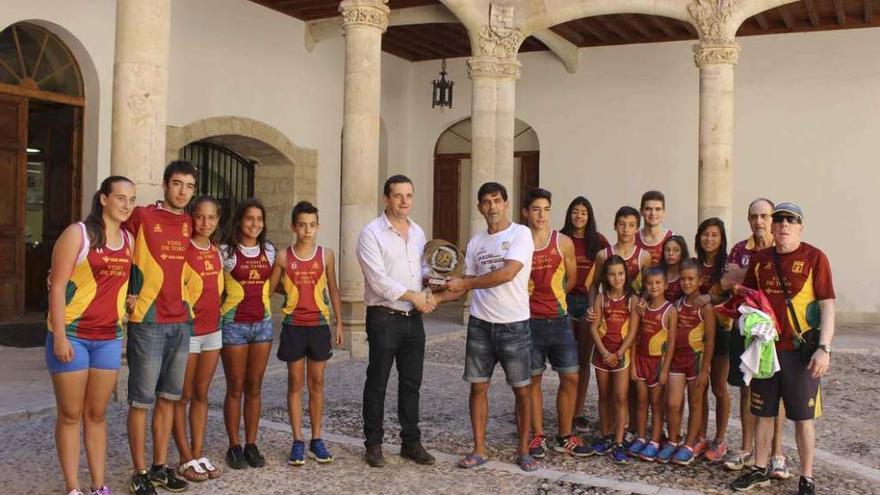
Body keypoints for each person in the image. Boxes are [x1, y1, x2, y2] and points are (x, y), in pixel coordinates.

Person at [732, 203, 835, 495]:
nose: (784, 225)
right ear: (772, 227)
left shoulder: (815, 258)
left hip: (800, 351)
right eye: (779, 220)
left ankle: (807, 477)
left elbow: (828, 307)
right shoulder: (761, 259)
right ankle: (759, 469)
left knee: (803, 418)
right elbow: (750, 299)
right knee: (763, 413)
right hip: (766, 349)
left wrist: (824, 348)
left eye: (791, 220)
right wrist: (748, 320)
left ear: (801, 226)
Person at [47, 176, 135, 495]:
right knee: (71, 414)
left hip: (109, 338)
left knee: (96, 414)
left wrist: (129, 300)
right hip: (73, 334)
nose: (126, 205)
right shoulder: (78, 234)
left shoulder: (128, 240)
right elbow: (57, 286)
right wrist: (59, 336)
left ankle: (99, 485)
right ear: (103, 199)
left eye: (131, 199)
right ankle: (73, 487)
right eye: (120, 198)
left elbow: (120, 283)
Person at [445, 182, 537, 472]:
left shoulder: (521, 234)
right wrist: (433, 296)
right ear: (479, 207)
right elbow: (462, 287)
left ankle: (524, 450)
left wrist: (466, 283)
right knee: (478, 388)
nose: (492, 207)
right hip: (481, 325)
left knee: (522, 390)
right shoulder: (475, 243)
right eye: (486, 202)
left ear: (506, 203)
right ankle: (479, 449)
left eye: (497, 200)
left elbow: (509, 273)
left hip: (514, 325)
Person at [125, 161, 196, 495]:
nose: (183, 192)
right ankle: (138, 471)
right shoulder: (142, 215)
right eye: (177, 184)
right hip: (149, 320)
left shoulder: (187, 223)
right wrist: (125, 291)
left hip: (180, 321)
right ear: (165, 185)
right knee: (141, 401)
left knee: (169, 398)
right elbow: (111, 241)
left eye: (189, 186)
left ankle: (159, 467)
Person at [356, 175, 436, 468]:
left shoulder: (418, 232)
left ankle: (410, 442)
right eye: (398, 195)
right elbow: (378, 280)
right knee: (377, 382)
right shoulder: (371, 233)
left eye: (409, 195)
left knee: (412, 383)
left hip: (413, 320)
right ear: (386, 199)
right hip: (384, 316)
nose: (404, 201)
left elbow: (424, 269)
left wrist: (430, 292)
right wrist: (415, 296)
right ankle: (373, 444)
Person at [270, 201, 344, 466]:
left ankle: (316, 438)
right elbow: (270, 286)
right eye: (302, 225)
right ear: (293, 226)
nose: (307, 230)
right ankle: (297, 440)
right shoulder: (282, 256)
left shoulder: (326, 255)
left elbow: (333, 289)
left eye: (312, 225)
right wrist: (290, 294)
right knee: (294, 382)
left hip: (318, 325)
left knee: (317, 383)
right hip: (293, 325)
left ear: (318, 226)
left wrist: (339, 322)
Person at [721, 198, 789, 478]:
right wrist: (748, 281)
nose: (759, 222)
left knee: (777, 393)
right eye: (754, 216)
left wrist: (745, 279)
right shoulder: (739, 249)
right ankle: (746, 449)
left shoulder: (782, 250)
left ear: (772, 220)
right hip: (745, 329)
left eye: (764, 216)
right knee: (747, 388)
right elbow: (728, 283)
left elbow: (771, 287)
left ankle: (777, 454)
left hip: (775, 333)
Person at [520, 189, 589, 458]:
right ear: (526, 212)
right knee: (533, 380)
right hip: (530, 322)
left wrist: (555, 298)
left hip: (559, 320)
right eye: (536, 209)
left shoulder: (563, 242)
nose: (541, 214)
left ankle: (565, 434)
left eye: (546, 209)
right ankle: (538, 435)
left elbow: (571, 279)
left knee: (570, 376)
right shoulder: (519, 243)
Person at [220, 199, 275, 470]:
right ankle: (234, 445)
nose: (255, 224)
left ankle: (251, 444)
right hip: (234, 325)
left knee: (255, 386)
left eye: (259, 219)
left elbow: (274, 283)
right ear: (239, 220)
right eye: (249, 218)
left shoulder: (270, 251)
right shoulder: (225, 252)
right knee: (235, 387)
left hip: (262, 325)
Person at [172, 196, 224, 482]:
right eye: (200, 217)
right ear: (191, 217)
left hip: (212, 332)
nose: (205, 223)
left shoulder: (216, 250)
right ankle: (184, 457)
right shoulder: (183, 249)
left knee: (202, 394)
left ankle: (198, 451)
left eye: (211, 218)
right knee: (183, 395)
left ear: (218, 220)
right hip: (188, 332)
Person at [559, 196, 610, 434]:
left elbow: (611, 271)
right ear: (569, 214)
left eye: (583, 212)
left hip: (589, 303)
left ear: (589, 217)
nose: (579, 216)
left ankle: (577, 412)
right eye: (575, 212)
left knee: (583, 360)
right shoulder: (560, 238)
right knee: (567, 361)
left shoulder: (598, 241)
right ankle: (565, 410)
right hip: (565, 301)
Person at [588, 255, 640, 464]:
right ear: (605, 277)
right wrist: (603, 352)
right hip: (601, 353)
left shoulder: (632, 300)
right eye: (612, 274)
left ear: (625, 275)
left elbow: (633, 331)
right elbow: (593, 326)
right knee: (604, 395)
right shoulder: (601, 298)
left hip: (621, 356)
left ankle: (619, 441)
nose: (617, 278)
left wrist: (618, 354)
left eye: (620, 273)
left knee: (620, 397)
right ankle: (605, 435)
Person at [665, 259, 715, 465]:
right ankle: (673, 440)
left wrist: (705, 370)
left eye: (691, 279)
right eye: (683, 279)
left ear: (700, 280)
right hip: (677, 361)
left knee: (696, 403)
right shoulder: (675, 305)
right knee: (673, 403)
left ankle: (689, 443)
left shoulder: (706, 308)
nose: (686, 283)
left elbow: (711, 340)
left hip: (696, 362)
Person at [627, 267, 677, 462]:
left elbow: (671, 343)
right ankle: (640, 437)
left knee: (656, 405)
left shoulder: (670, 311)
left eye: (658, 283)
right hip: (640, 360)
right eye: (650, 283)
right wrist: (632, 365)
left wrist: (665, 369)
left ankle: (655, 441)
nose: (654, 286)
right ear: (645, 285)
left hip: (658, 363)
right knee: (641, 402)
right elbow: (635, 337)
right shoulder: (642, 307)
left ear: (665, 285)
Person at [694, 218, 732, 462]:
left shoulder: (728, 268)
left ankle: (719, 439)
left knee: (719, 387)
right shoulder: (694, 265)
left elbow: (733, 300)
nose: (709, 239)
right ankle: (700, 436)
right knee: (701, 387)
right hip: (695, 333)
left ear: (721, 239)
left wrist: (711, 300)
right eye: (705, 234)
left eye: (714, 235)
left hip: (721, 332)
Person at [593, 206, 652, 296]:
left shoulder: (644, 256)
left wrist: (642, 301)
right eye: (621, 224)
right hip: (607, 308)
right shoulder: (603, 255)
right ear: (615, 226)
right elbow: (594, 285)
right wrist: (592, 306)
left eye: (631, 225)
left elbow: (648, 287)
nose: (626, 230)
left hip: (632, 307)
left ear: (637, 229)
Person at [635, 191, 674, 267]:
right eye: (648, 209)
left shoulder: (672, 239)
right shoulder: (633, 238)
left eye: (658, 209)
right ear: (641, 212)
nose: (653, 213)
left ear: (663, 212)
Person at [659, 235, 689, 303]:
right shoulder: (658, 272)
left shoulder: (687, 273)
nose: (670, 253)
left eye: (676, 250)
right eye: (667, 250)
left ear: (683, 252)